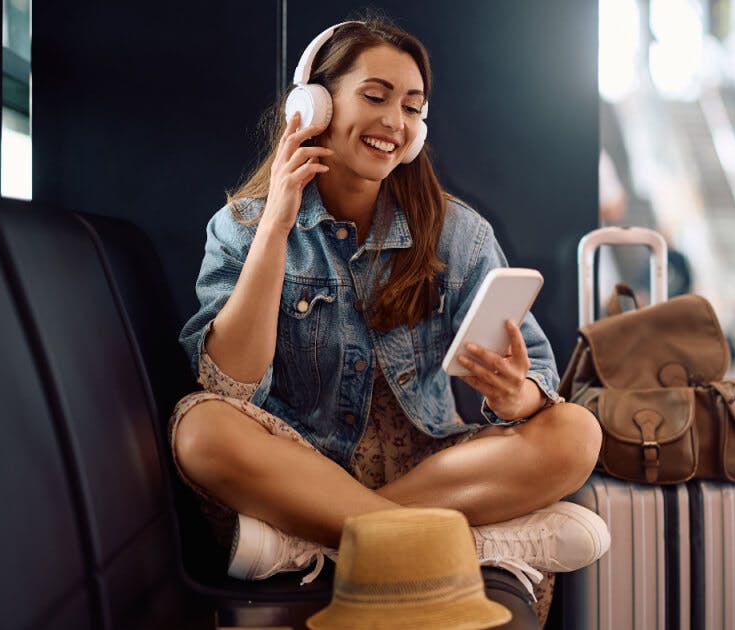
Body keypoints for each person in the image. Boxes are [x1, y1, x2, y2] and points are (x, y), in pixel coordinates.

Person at [169, 18, 608, 611]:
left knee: (576, 431)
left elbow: (539, 386)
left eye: (412, 107)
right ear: (314, 106)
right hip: (300, 473)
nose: (394, 123)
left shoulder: (458, 234)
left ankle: (327, 544)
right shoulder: (242, 226)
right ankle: (460, 544)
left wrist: (517, 399)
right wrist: (277, 223)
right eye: (374, 97)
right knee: (200, 428)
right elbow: (229, 384)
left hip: (432, 469)